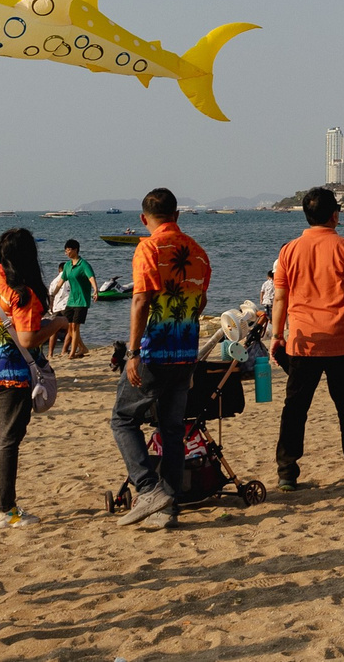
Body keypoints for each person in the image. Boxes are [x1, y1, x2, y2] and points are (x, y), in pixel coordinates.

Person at [269, 187, 344, 492]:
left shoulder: (289, 251)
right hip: (340, 341)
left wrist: (277, 335)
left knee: (295, 409)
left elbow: (280, 298)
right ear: (335, 215)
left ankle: (287, 472)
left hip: (303, 341)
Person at [111, 187, 210, 530]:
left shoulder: (148, 248)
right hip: (185, 352)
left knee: (123, 419)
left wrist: (133, 352)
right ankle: (168, 507)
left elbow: (140, 301)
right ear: (177, 215)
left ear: (144, 219)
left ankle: (148, 487)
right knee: (171, 429)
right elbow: (201, 303)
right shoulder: (197, 252)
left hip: (155, 352)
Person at [0, 227, 50, 527]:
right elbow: (28, 339)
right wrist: (58, 325)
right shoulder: (21, 291)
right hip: (13, 372)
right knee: (8, 440)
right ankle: (4, 509)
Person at [54, 240, 97, 360]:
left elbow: (91, 277)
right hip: (71, 301)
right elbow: (60, 282)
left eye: (68, 250)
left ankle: (73, 352)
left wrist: (95, 290)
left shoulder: (84, 264)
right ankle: (82, 347)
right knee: (70, 327)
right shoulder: (67, 266)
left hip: (82, 300)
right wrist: (52, 294)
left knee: (75, 327)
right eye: (65, 250)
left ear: (75, 250)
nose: (67, 252)